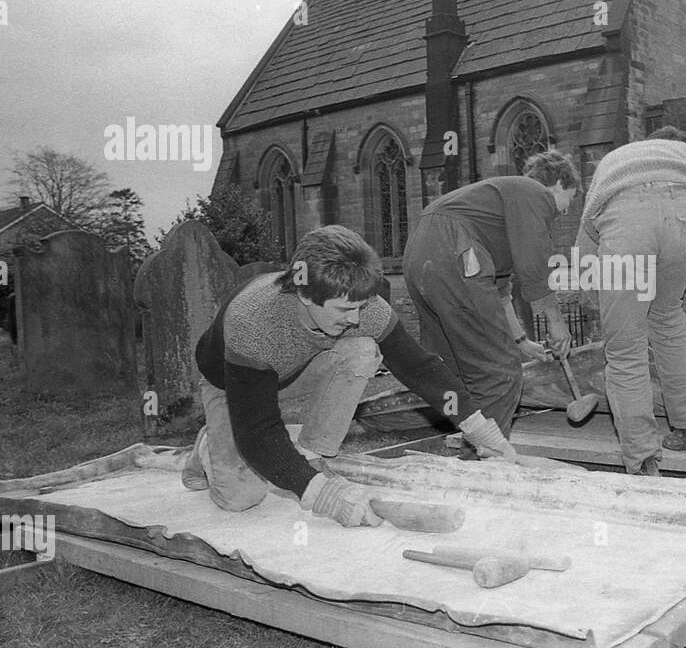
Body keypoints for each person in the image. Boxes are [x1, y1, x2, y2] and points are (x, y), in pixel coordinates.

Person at [182, 225, 517, 527]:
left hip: (293, 371)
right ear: (304, 294)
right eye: (344, 310)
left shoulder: (359, 302)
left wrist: (479, 428)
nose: (356, 318)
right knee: (241, 498)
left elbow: (421, 368)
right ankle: (209, 444)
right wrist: (320, 496)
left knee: (362, 348)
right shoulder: (254, 322)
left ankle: (314, 456)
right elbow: (258, 432)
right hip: (231, 386)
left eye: (360, 306)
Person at [575, 127, 686, 475]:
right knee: (669, 318)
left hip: (627, 221)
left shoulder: (615, 160)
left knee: (625, 346)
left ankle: (643, 457)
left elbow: (586, 231)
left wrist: (598, 299)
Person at [402, 150, 578, 441]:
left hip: (421, 253)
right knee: (500, 374)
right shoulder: (535, 193)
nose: (564, 211)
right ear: (559, 183)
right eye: (569, 200)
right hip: (454, 250)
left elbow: (499, 288)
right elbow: (535, 264)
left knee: (457, 367)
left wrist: (520, 339)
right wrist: (558, 326)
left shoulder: (499, 203)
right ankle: (488, 457)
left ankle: (467, 441)